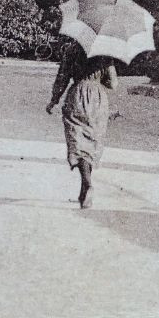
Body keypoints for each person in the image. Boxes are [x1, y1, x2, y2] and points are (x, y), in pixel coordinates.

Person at [46, 42, 118, 208]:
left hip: (77, 96)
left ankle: (86, 183)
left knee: (78, 141)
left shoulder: (71, 50)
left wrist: (53, 100)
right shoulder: (105, 52)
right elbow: (113, 84)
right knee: (91, 142)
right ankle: (84, 188)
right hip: (98, 101)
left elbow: (62, 77)